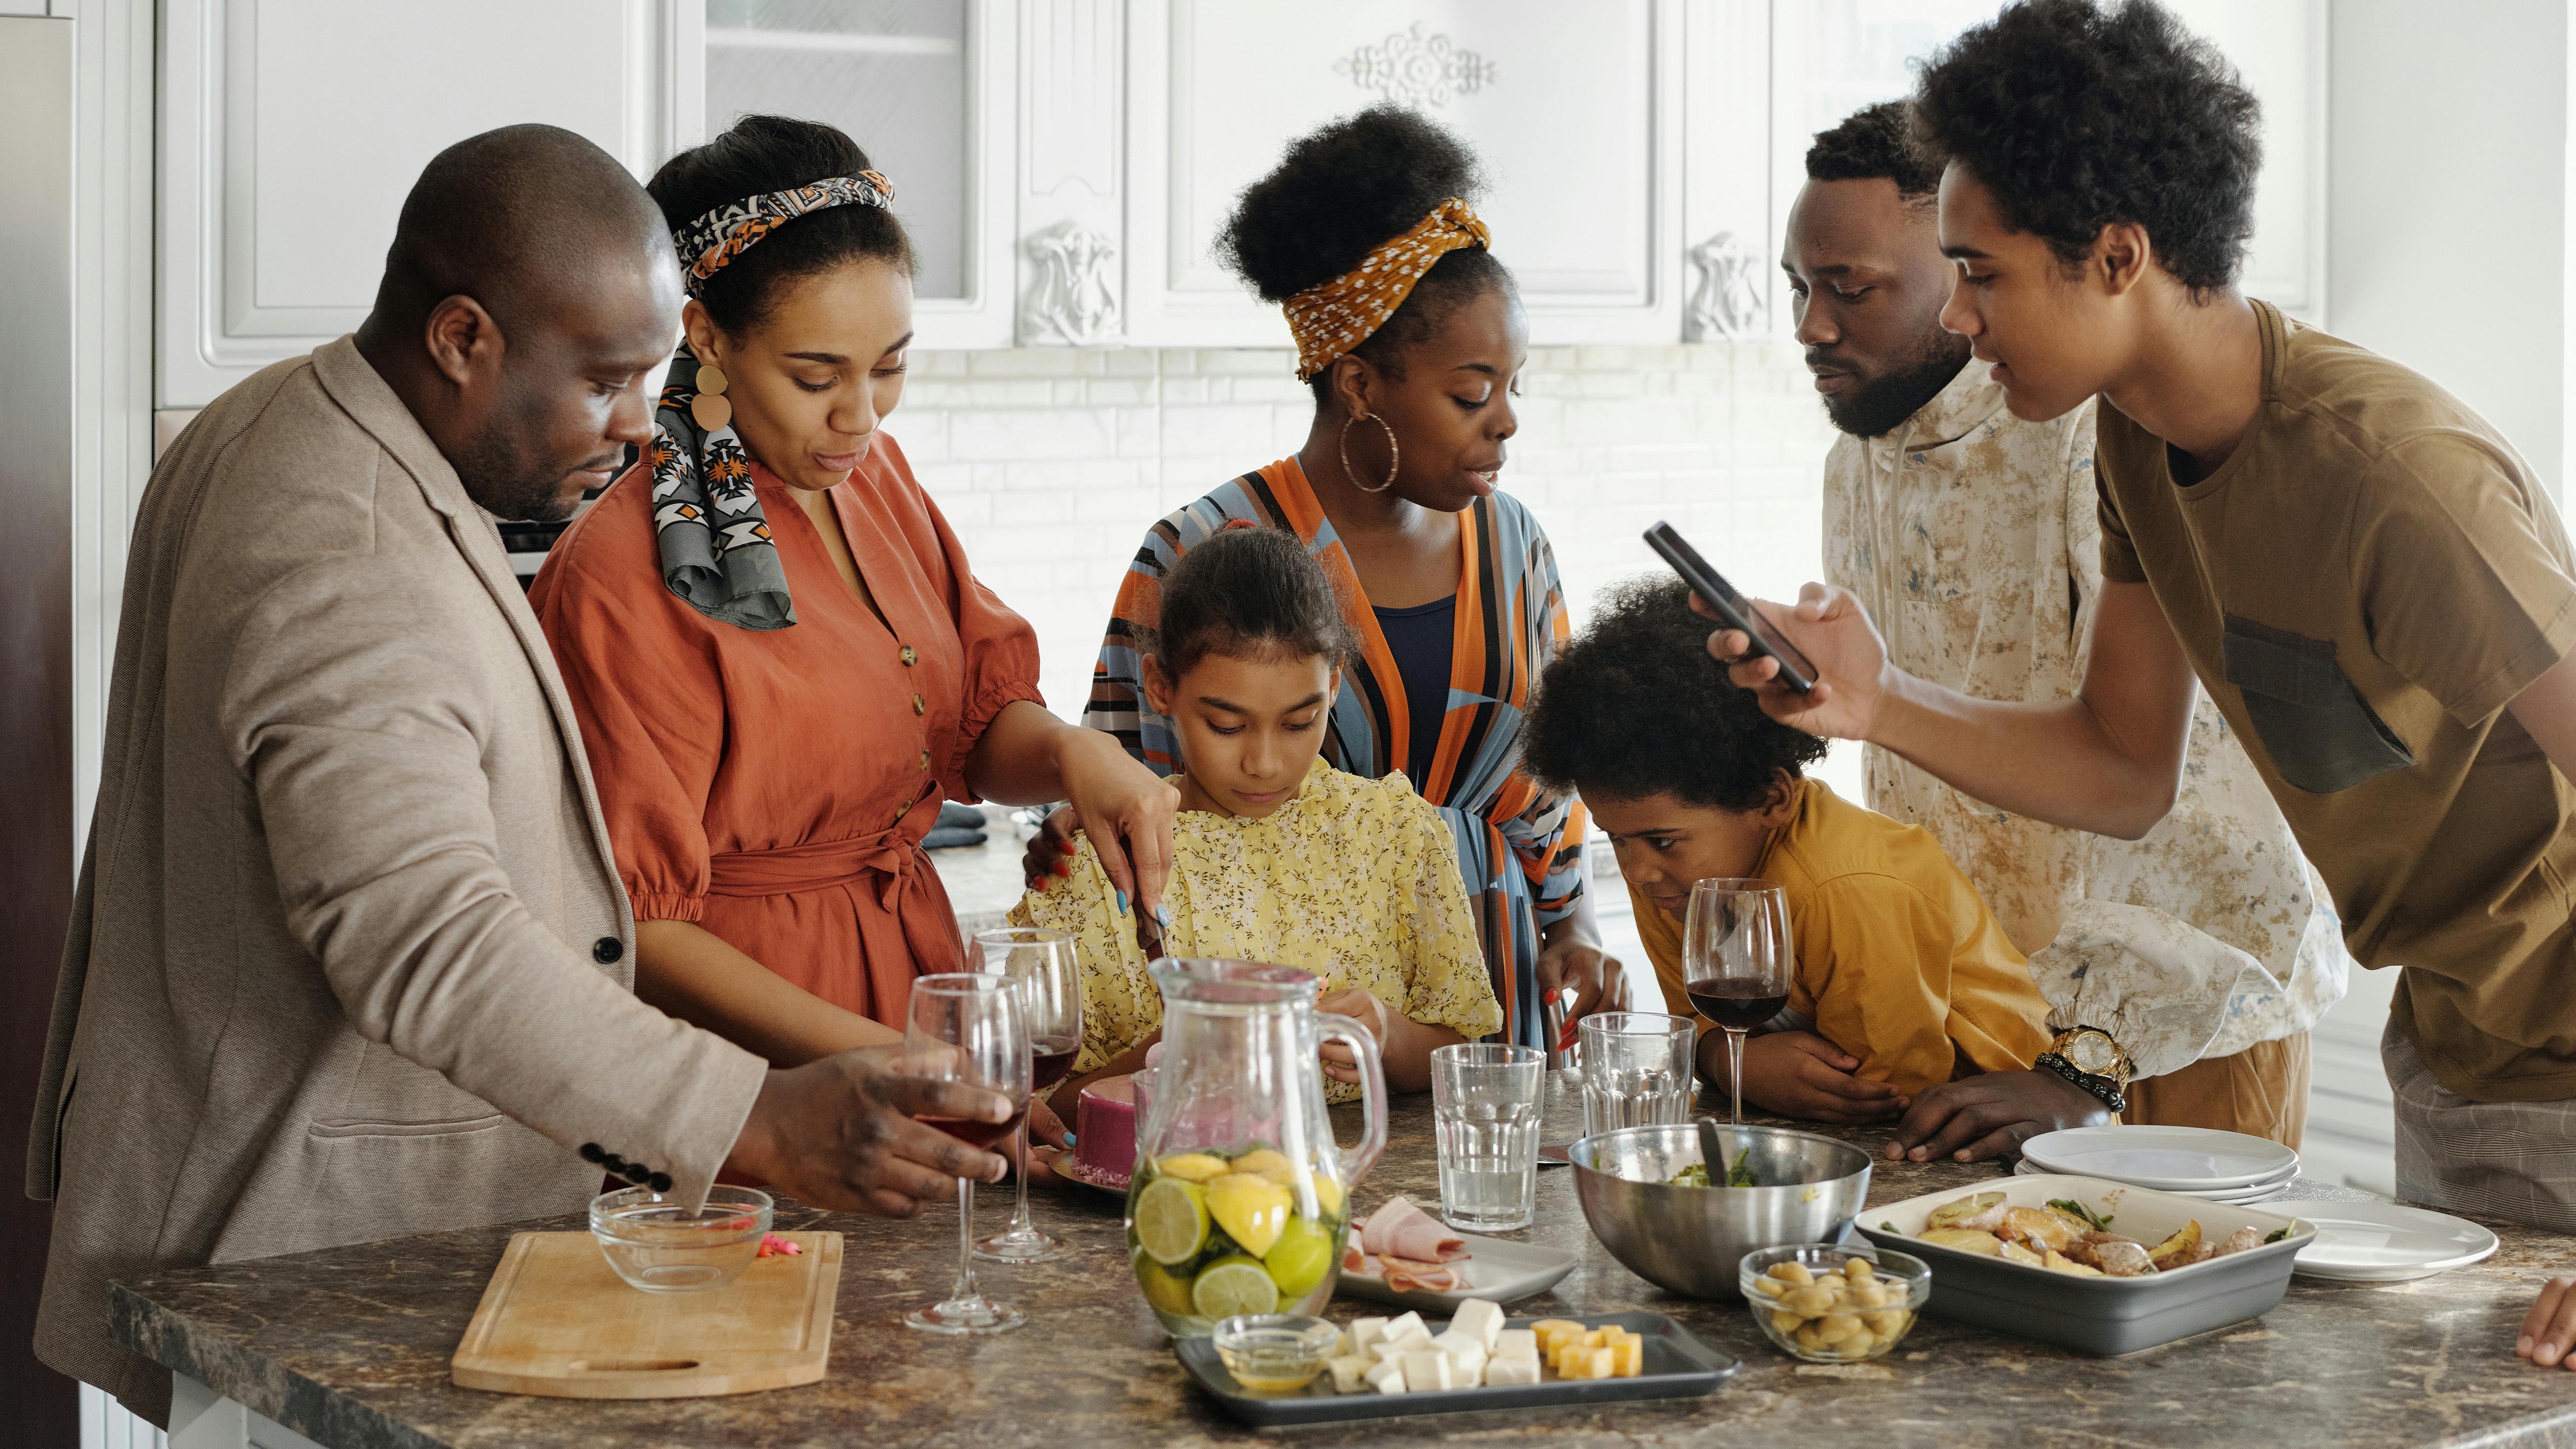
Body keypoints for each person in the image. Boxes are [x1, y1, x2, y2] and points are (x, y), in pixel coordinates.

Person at [26, 126, 1017, 1426]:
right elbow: (422, 938)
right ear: (461, 338)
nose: (631, 425)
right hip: (307, 1231)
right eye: (606, 379)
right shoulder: (349, 546)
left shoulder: (276, 418)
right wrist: (749, 1117)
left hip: (279, 1208)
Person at [1693, 0, 2576, 1367]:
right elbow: (2119, 766)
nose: (1963, 319)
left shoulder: (2393, 479)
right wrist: (1872, 701)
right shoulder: (2135, 442)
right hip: (2460, 1042)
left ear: (2117, 257)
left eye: (1980, 274)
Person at [530, 116, 1178, 1086]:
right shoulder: (619, 574)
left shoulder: (874, 480)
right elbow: (631, 927)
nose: (861, 417)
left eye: (890, 367)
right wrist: (884, 1062)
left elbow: (964, 729)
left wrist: (1075, 756)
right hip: (758, 1075)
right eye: (815, 376)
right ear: (704, 338)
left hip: (917, 1002)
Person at [1789, 100, 2349, 1153]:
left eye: (1847, 286)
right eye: (1798, 287)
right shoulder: (1851, 466)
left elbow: (2195, 791)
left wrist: (2089, 1059)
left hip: (2176, 1036)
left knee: (2193, 1308)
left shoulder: (2101, 438)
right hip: (1981, 1032)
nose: (1809, 326)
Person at [1031, 105, 1621, 1048]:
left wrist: (1574, 929)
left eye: (1516, 387)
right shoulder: (1198, 550)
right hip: (1286, 1040)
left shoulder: (1519, 546)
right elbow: (1127, 817)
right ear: (1359, 384)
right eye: (1472, 394)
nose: (1505, 421)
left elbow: (1552, 802)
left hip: (1493, 1029)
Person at [1016, 524, 1502, 1111]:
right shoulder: (1098, 865)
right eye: (1226, 726)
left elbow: (1465, 1047)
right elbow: (1033, 1113)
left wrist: (1387, 1036)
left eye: (1300, 723)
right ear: (1159, 687)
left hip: (1367, 1183)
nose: (1265, 763)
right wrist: (1164, 1056)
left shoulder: (1394, 833)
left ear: (1334, 681)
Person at [1522, 579, 2052, 1112]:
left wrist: (1737, 1069)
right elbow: (1695, 1022)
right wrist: (1732, 1064)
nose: (1637, 871)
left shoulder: (1847, 888)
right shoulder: (1675, 880)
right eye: (1615, 840)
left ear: (1770, 798)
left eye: (1661, 840)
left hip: (1993, 1126)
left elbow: (1886, 1095)